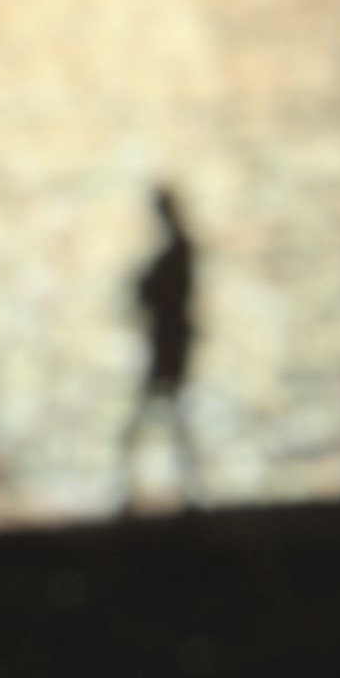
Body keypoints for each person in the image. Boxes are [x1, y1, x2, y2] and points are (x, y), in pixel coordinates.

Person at [122, 187, 199, 500]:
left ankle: (128, 484)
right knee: (172, 413)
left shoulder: (177, 252)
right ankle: (189, 486)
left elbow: (158, 293)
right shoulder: (180, 249)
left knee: (153, 411)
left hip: (169, 341)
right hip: (172, 339)